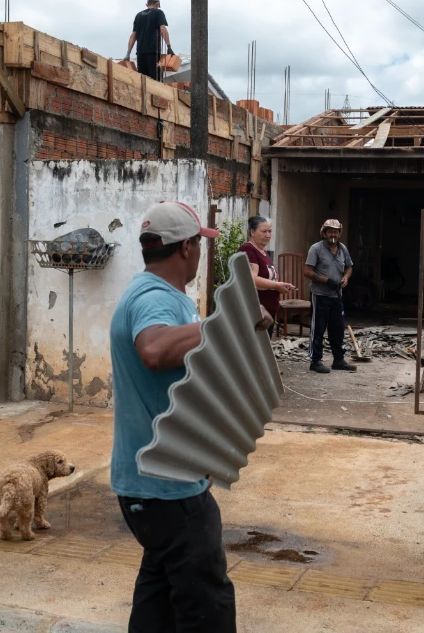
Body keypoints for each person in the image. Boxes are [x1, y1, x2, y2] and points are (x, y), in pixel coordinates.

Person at [109, 200, 272, 632]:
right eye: (200, 244)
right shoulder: (153, 298)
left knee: (159, 594)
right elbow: (155, 349)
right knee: (206, 604)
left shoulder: (152, 293)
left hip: (152, 481)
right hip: (167, 487)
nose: (202, 252)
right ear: (185, 249)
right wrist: (227, 320)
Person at [302, 219, 356, 374]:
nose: (333, 234)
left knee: (338, 328)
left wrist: (346, 277)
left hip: (336, 295)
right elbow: (307, 271)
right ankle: (315, 361)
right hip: (320, 294)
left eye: (336, 231)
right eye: (330, 231)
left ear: (340, 233)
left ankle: (338, 359)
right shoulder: (316, 248)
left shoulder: (342, 248)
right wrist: (326, 280)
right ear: (324, 233)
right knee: (318, 328)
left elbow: (349, 267)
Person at [239, 216, 295, 336]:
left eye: (270, 231)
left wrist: (279, 286)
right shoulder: (248, 250)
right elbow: (251, 280)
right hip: (255, 313)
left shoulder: (263, 253)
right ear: (252, 232)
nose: (268, 235)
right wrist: (276, 285)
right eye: (264, 231)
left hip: (267, 314)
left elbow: (267, 280)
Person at [126, 0, 172, 81]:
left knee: (142, 80)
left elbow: (133, 35)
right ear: (157, 4)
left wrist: (128, 53)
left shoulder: (138, 15)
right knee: (156, 80)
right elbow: (163, 29)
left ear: (147, 4)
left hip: (140, 53)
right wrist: (169, 47)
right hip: (153, 52)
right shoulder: (158, 12)